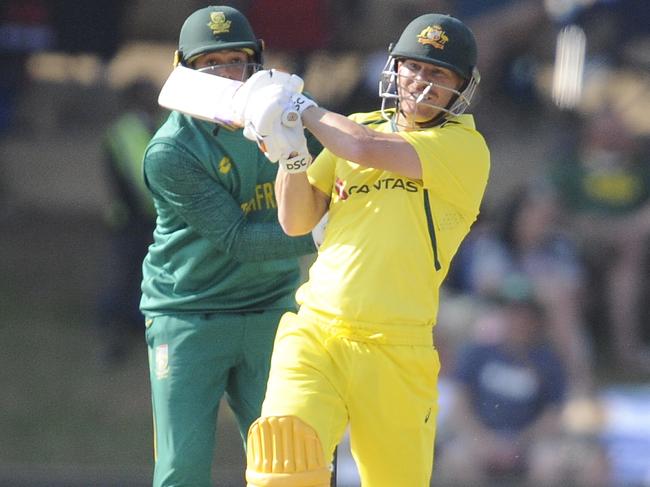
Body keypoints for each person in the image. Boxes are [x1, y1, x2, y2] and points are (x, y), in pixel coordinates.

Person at [235, 13, 490, 486]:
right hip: (317, 332)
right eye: (413, 68)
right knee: (281, 463)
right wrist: (291, 152)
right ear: (394, 68)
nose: (421, 82)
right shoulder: (354, 126)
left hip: (396, 349)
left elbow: (366, 148)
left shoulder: (463, 148)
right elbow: (296, 221)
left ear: (461, 87)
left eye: (438, 74)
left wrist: (300, 106)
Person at [139, 6, 319, 486]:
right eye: (209, 64)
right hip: (190, 312)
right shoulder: (171, 150)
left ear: (256, 65)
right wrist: (329, 233)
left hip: (271, 307)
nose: (224, 75)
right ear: (185, 71)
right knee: (183, 470)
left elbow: (343, 172)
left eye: (235, 60)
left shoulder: (284, 116)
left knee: (292, 462)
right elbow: (241, 240)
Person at [97, 78, 159, 365]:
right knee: (125, 277)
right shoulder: (122, 132)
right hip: (131, 219)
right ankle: (115, 337)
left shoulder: (158, 125)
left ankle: (136, 326)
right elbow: (132, 179)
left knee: (145, 277)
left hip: (150, 216)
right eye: (149, 93)